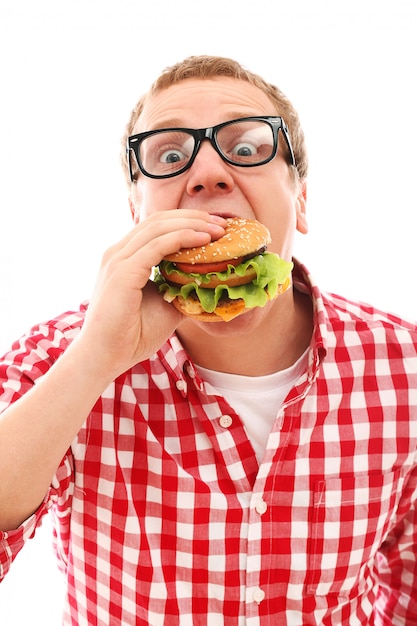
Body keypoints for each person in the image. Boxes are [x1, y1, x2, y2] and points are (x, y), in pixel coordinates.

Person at [0, 54, 416, 626]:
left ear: (300, 200)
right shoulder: (55, 359)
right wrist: (96, 359)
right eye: (169, 156)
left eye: (247, 148)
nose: (208, 172)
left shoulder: (405, 366)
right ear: (136, 214)